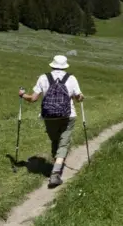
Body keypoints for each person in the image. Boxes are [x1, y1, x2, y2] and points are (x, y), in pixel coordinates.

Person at [18, 54, 84, 188]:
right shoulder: (71, 78)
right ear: (65, 66)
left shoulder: (44, 78)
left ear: (52, 65)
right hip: (68, 115)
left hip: (49, 116)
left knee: (55, 140)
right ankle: (56, 171)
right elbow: (78, 97)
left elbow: (33, 99)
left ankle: (55, 163)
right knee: (64, 143)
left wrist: (22, 95)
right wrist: (81, 97)